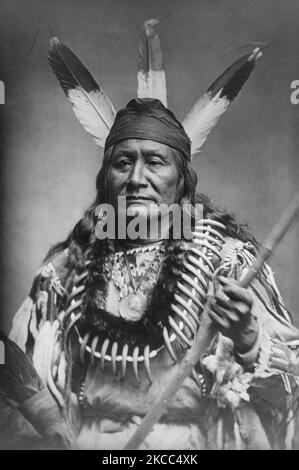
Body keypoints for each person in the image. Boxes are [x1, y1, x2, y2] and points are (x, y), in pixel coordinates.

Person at [1, 23, 299, 450]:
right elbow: (18, 375)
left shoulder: (226, 262)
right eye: (124, 162)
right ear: (107, 178)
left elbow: (291, 388)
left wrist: (249, 337)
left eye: (155, 162)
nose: (137, 178)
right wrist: (48, 422)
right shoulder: (69, 268)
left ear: (181, 180)